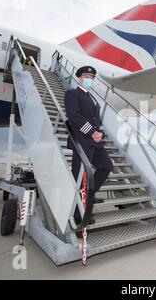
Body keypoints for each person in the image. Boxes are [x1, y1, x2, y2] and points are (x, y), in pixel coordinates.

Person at [64, 65, 113, 224]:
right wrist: (93, 132)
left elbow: (98, 121)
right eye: (86, 76)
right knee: (80, 176)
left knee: (106, 166)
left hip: (96, 143)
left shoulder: (93, 98)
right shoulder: (72, 94)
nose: (89, 79)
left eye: (92, 77)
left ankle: (88, 196)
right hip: (81, 142)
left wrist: (101, 133)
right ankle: (79, 214)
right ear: (79, 78)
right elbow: (74, 116)